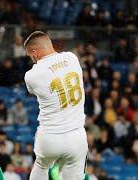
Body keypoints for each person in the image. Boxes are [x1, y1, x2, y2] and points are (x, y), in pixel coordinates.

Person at [24, 31, 88, 180]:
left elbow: (33, 90)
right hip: (77, 137)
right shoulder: (72, 58)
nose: (32, 59)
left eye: (30, 55)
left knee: (41, 165)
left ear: (35, 52)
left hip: (50, 137)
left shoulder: (31, 75)